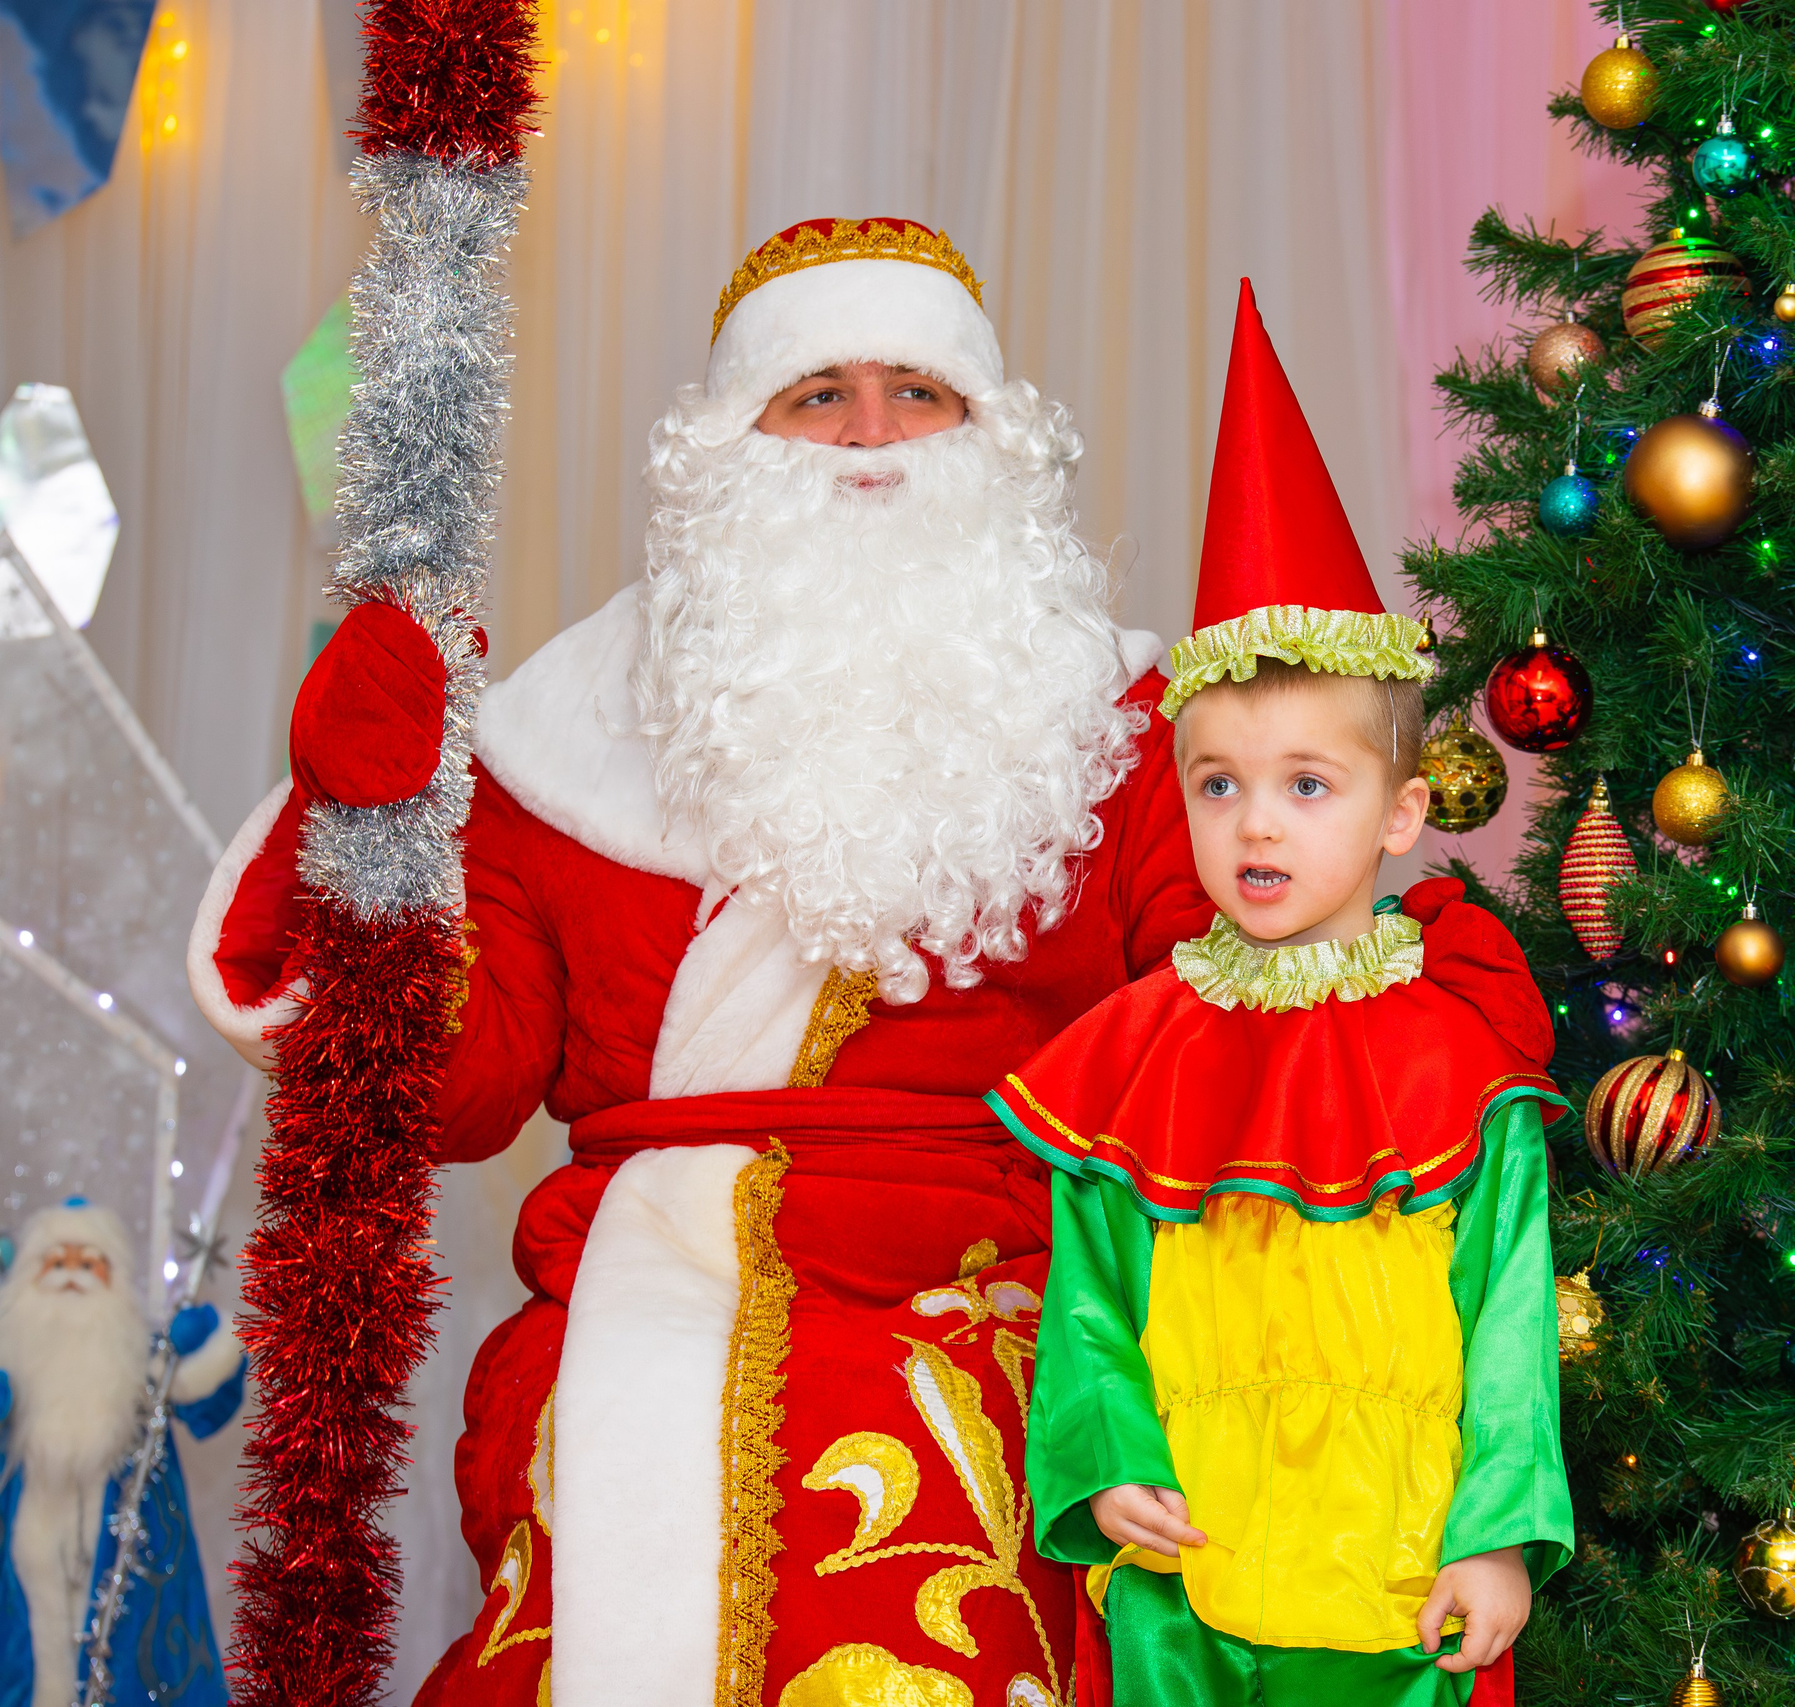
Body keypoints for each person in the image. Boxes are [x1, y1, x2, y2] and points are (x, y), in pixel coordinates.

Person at [187, 218, 1212, 1707]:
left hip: (1001, 1285)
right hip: (635, 1284)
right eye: (818, 394)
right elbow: (453, 1094)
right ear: (732, 439)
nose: (872, 437)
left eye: (919, 391)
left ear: (989, 429)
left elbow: (1223, 1044)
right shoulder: (562, 736)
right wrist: (369, 824)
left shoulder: (1127, 716)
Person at [987, 282, 1572, 1707]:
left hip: (1401, 1583)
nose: (1255, 823)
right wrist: (1107, 1461)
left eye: (1308, 785)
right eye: (1219, 784)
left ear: (1400, 813)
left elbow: (1510, 1319)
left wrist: (1497, 1538)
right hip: (1190, 1576)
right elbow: (1088, 1301)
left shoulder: (1458, 1059)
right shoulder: (1133, 1055)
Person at [0, 1200, 244, 1707]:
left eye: (88, 1263)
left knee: (132, 1659)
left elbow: (208, 1406)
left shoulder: (140, 1361)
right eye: (56, 1262)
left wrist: (202, 1344)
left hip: (131, 1540)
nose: (71, 1276)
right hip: (28, 1541)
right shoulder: (14, 1362)